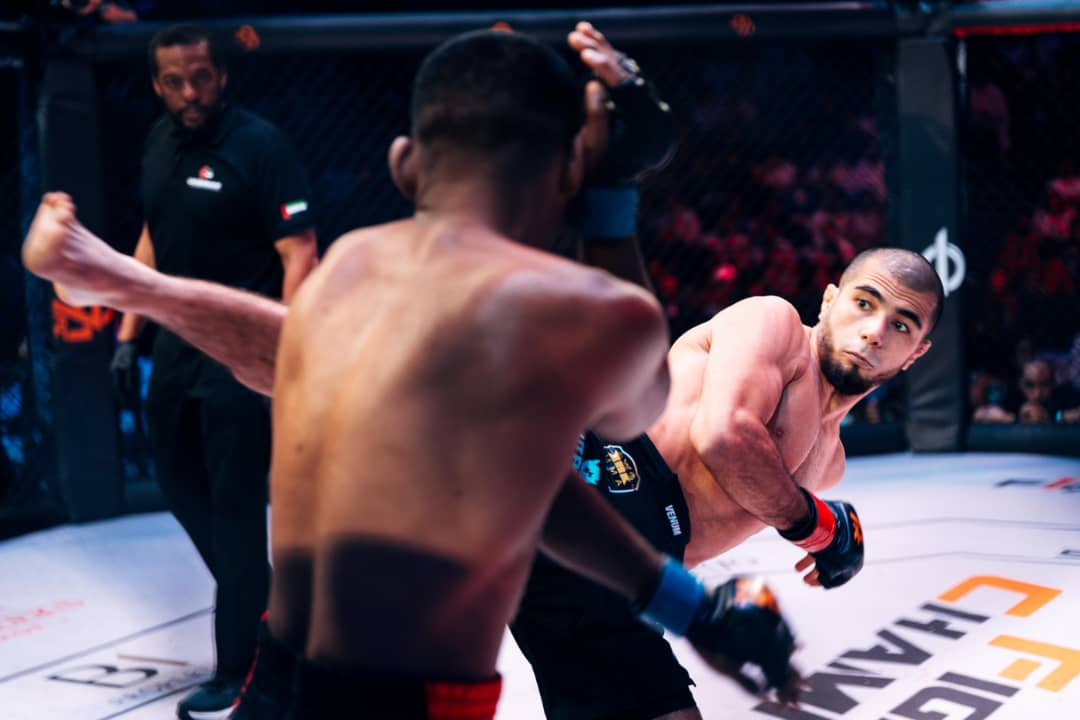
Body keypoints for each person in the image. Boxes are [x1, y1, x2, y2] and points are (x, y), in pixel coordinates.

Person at [24, 26, 800, 720]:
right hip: (407, 700)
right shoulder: (580, 311)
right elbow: (636, 409)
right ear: (568, 168)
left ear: (403, 164)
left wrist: (132, 285)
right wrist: (612, 200)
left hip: (276, 686)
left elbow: (518, 472)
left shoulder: (349, 269)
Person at [510, 244, 944, 718]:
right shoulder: (775, 325)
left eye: (901, 325)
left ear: (917, 353)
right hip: (598, 481)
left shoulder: (830, 462)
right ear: (828, 301)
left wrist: (825, 531)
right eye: (864, 303)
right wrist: (818, 528)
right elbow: (724, 437)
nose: (874, 332)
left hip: (632, 570)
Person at [111, 23, 318, 719]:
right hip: (175, 347)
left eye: (200, 78)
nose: (190, 93)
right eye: (174, 81)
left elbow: (299, 252)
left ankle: (241, 665)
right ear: (157, 84)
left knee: (234, 510)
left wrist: (283, 352)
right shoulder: (158, 143)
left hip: (241, 354)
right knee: (178, 487)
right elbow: (150, 240)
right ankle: (266, 608)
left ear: (221, 76)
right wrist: (126, 334)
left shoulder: (260, 146)